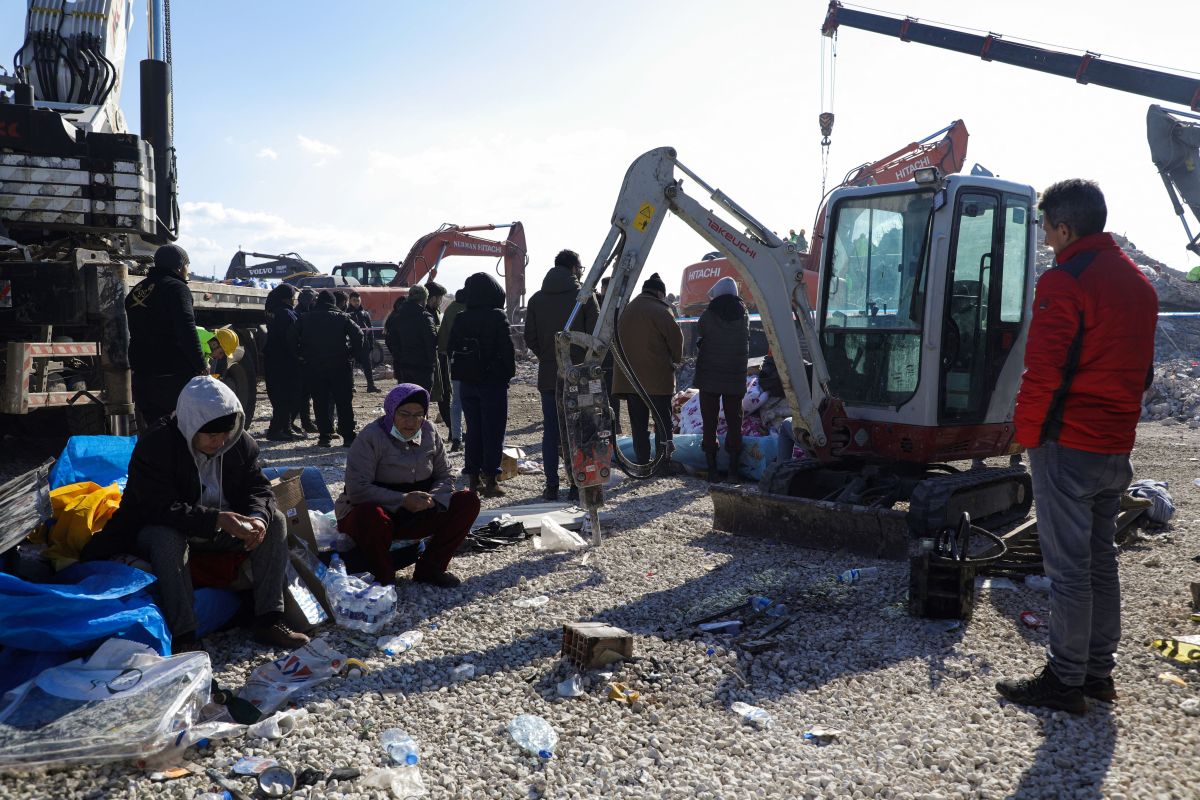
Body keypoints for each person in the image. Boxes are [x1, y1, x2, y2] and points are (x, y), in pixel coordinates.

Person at [996, 179, 1157, 713]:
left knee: (1067, 570)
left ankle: (1064, 680)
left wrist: (1024, 434)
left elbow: (1043, 369)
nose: (1044, 237)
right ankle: (1096, 674)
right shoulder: (1139, 284)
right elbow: (1142, 373)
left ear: (1064, 228)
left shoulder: (1065, 282)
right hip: (1115, 444)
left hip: (1067, 443)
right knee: (1098, 561)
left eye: (1046, 227)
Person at [80, 376, 308, 653]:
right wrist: (215, 519)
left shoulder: (238, 443)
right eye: (211, 435)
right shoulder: (157, 445)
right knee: (167, 538)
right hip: (158, 527)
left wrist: (257, 518)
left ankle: (269, 619)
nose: (219, 441)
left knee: (275, 523)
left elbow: (259, 488)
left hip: (214, 528)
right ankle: (184, 634)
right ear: (191, 426)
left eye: (225, 434)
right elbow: (156, 507)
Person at [335, 384, 480, 588]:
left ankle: (431, 568)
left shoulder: (429, 431)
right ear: (391, 411)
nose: (411, 421)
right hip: (378, 513)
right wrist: (402, 500)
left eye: (418, 415)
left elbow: (445, 474)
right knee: (370, 515)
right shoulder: (371, 437)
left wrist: (433, 500)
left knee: (467, 501)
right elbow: (358, 489)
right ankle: (383, 577)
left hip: (418, 509)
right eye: (404, 414)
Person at [524, 249, 599, 501]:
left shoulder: (536, 300)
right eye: (580, 267)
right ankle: (579, 485)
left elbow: (530, 338)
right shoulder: (584, 298)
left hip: (548, 375)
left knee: (551, 431)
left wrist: (549, 356)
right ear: (574, 268)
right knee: (580, 431)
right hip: (580, 376)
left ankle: (551, 486)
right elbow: (595, 337)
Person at [125, 244, 207, 430]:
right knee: (178, 431)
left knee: (155, 432)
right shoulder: (176, 288)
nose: (189, 270)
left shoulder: (138, 291)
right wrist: (200, 365)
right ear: (180, 266)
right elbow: (186, 329)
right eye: (188, 265)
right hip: (171, 376)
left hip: (143, 376)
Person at [448, 272, 515, 497]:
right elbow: (507, 352)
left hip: (467, 382)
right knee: (493, 431)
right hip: (492, 384)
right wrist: (505, 375)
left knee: (473, 430)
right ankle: (491, 481)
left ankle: (472, 479)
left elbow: (450, 348)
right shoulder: (497, 316)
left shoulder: (461, 317)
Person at [611, 272, 683, 471]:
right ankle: (663, 463)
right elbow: (676, 341)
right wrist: (676, 360)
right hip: (656, 379)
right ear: (660, 293)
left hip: (631, 381)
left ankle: (642, 462)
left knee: (638, 424)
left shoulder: (628, 309)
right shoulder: (661, 310)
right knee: (662, 422)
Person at [694, 276, 750, 482]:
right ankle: (733, 470)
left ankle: (712, 470)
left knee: (710, 421)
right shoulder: (743, 315)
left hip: (709, 376)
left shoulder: (707, 316)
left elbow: (701, 335)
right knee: (735, 421)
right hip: (735, 376)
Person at [291, 290, 363, 448]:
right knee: (343, 401)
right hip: (340, 366)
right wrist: (351, 354)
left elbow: (291, 339)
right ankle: (348, 437)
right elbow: (358, 335)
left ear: (317, 302)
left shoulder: (304, 318)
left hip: (314, 367)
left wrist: (301, 356)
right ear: (333, 303)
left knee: (320, 401)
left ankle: (325, 436)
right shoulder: (342, 318)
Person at [264, 284, 305, 441]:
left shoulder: (272, 310)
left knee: (279, 395)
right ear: (288, 298)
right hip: (286, 360)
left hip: (273, 359)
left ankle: (285, 428)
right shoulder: (287, 314)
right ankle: (276, 430)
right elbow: (294, 337)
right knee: (289, 396)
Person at [385, 285, 437, 389]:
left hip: (403, 366)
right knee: (421, 400)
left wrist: (398, 356)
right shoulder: (425, 317)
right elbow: (431, 341)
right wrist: (432, 363)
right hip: (422, 367)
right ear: (424, 299)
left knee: (406, 399)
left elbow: (390, 340)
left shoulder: (397, 316)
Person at [437, 288, 467, 452]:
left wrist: (444, 351)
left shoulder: (450, 310)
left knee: (456, 401)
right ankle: (472, 435)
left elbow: (443, 334)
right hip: (473, 363)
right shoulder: (471, 310)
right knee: (472, 400)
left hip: (455, 360)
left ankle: (456, 437)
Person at [424, 282, 452, 431]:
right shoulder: (426, 315)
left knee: (445, 395)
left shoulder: (434, 312)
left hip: (439, 360)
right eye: (440, 298)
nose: (441, 301)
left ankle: (452, 430)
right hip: (431, 361)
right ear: (433, 298)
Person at [293, 287, 318, 433]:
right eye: (313, 300)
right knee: (301, 393)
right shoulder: (299, 315)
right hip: (301, 359)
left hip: (305, 358)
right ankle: (293, 422)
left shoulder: (305, 313)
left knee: (305, 393)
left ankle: (305, 421)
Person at [599, 277, 621, 436]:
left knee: (608, 396)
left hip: (605, 358)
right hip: (608, 359)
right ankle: (613, 425)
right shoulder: (617, 306)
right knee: (608, 396)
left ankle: (612, 425)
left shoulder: (597, 305)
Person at [347, 291, 380, 393]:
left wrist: (371, 344)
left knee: (367, 365)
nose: (356, 303)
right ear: (350, 301)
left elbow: (370, 330)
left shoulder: (365, 313)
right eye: (354, 301)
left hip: (364, 344)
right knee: (350, 366)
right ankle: (351, 386)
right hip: (351, 344)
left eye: (358, 300)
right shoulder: (347, 314)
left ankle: (371, 385)